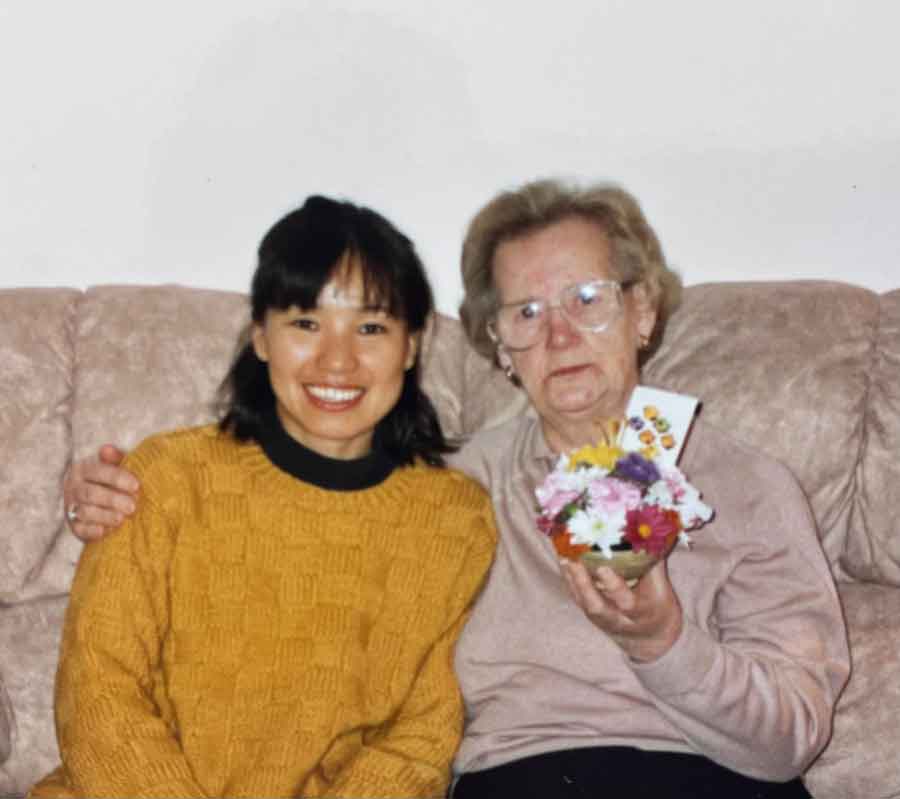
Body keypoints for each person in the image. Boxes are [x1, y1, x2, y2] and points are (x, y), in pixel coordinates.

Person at [65, 179, 850, 798]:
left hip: (711, 780)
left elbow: (790, 741)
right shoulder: (460, 490)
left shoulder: (748, 487)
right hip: (522, 779)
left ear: (642, 309)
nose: (559, 335)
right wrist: (99, 488)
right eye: (526, 312)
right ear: (498, 344)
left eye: (587, 299)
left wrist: (663, 641)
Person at [32, 195, 496, 799]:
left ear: (411, 346)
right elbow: (98, 692)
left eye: (372, 327)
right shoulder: (167, 477)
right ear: (260, 337)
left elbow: (421, 736)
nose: (337, 360)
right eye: (306, 323)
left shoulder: (456, 520)